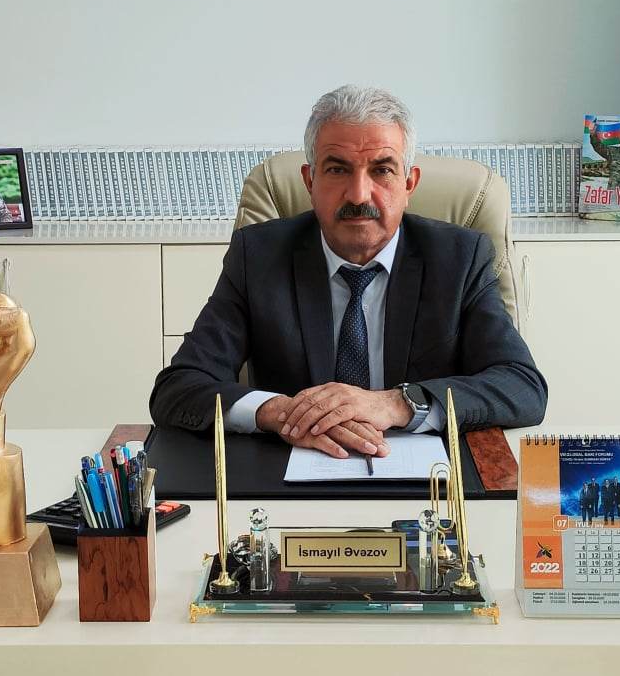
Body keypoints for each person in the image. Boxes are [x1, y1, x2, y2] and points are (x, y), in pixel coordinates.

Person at [150, 85, 547, 458]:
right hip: (291, 474)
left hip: (427, 480)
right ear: (310, 181)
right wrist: (283, 413)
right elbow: (177, 388)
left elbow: (522, 386)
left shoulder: (459, 259)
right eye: (338, 170)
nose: (359, 194)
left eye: (382, 170)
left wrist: (396, 403)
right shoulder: (258, 257)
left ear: (409, 184)